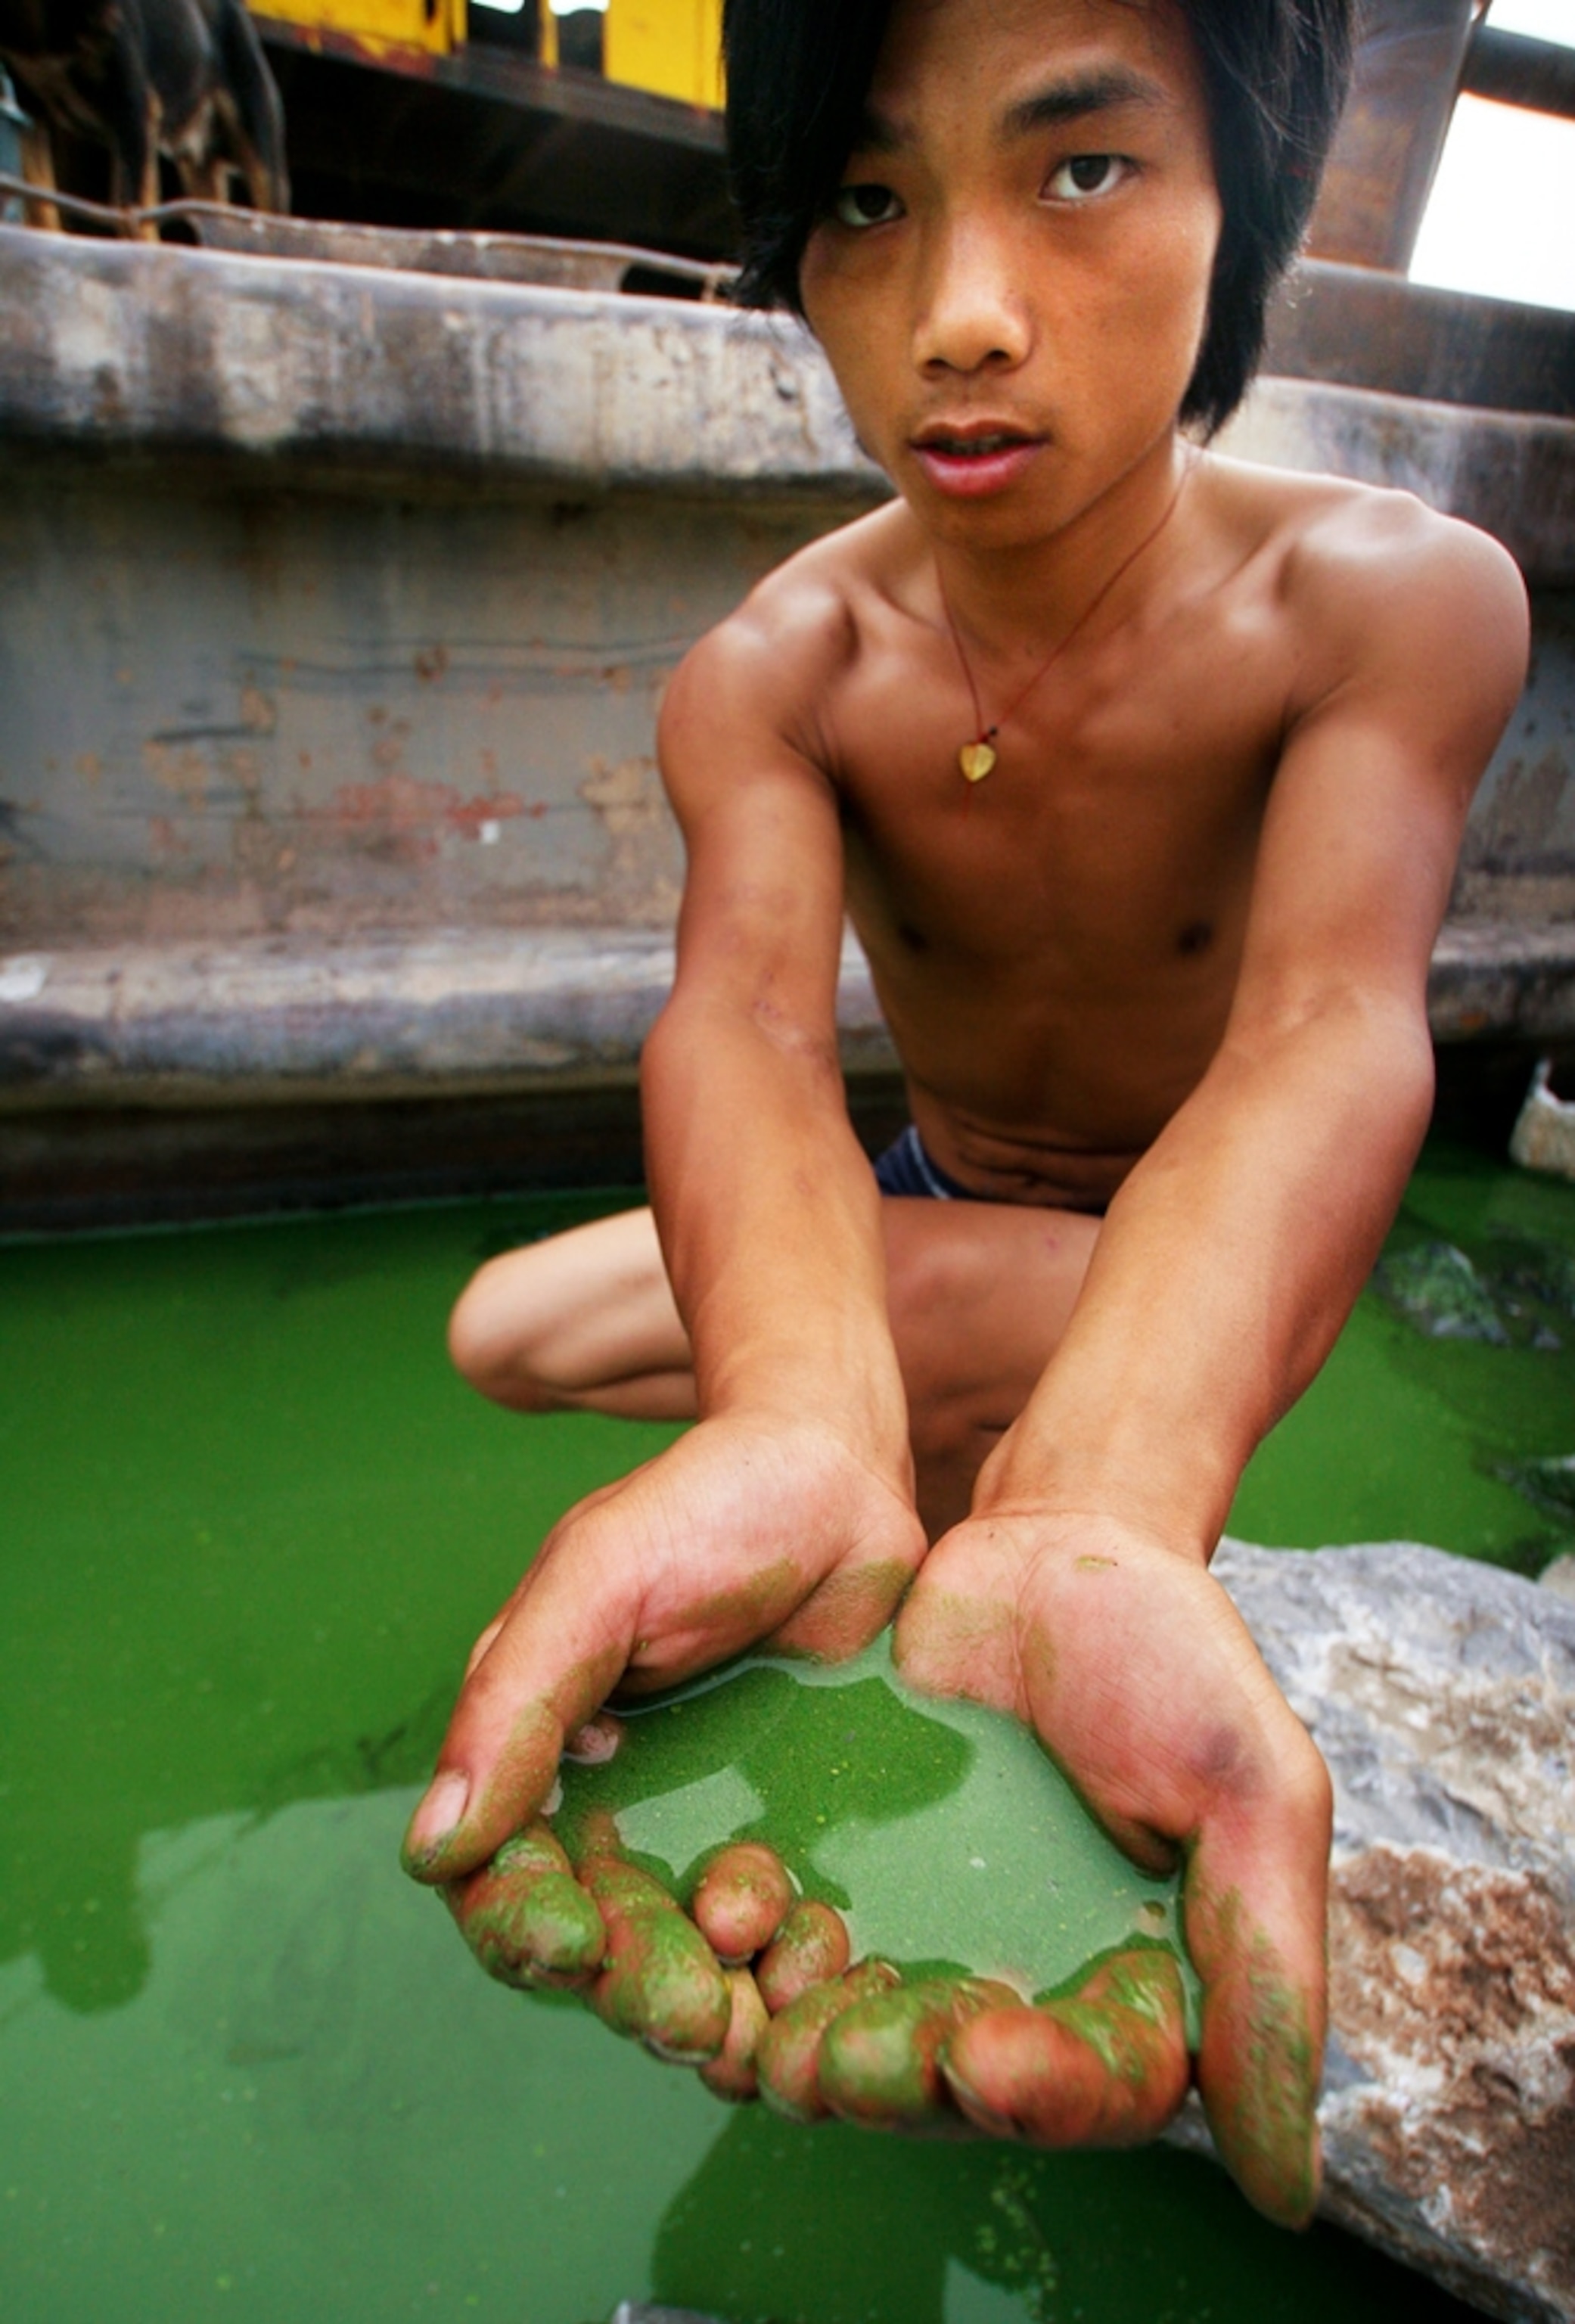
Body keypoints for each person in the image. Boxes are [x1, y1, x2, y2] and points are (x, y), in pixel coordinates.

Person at [403, 0, 1529, 2225]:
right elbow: (735, 1027)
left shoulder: (1388, 603)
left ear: (1247, 204)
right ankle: (877, 1490)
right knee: (509, 1334)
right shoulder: (775, 670)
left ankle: (1016, 1518)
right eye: (866, 204)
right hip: (937, 1215)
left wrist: (1105, 1486)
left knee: (1005, 1476)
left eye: (1080, 170)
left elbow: (1322, 1026)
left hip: (1184, 1258)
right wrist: (792, 1413)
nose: (962, 315)